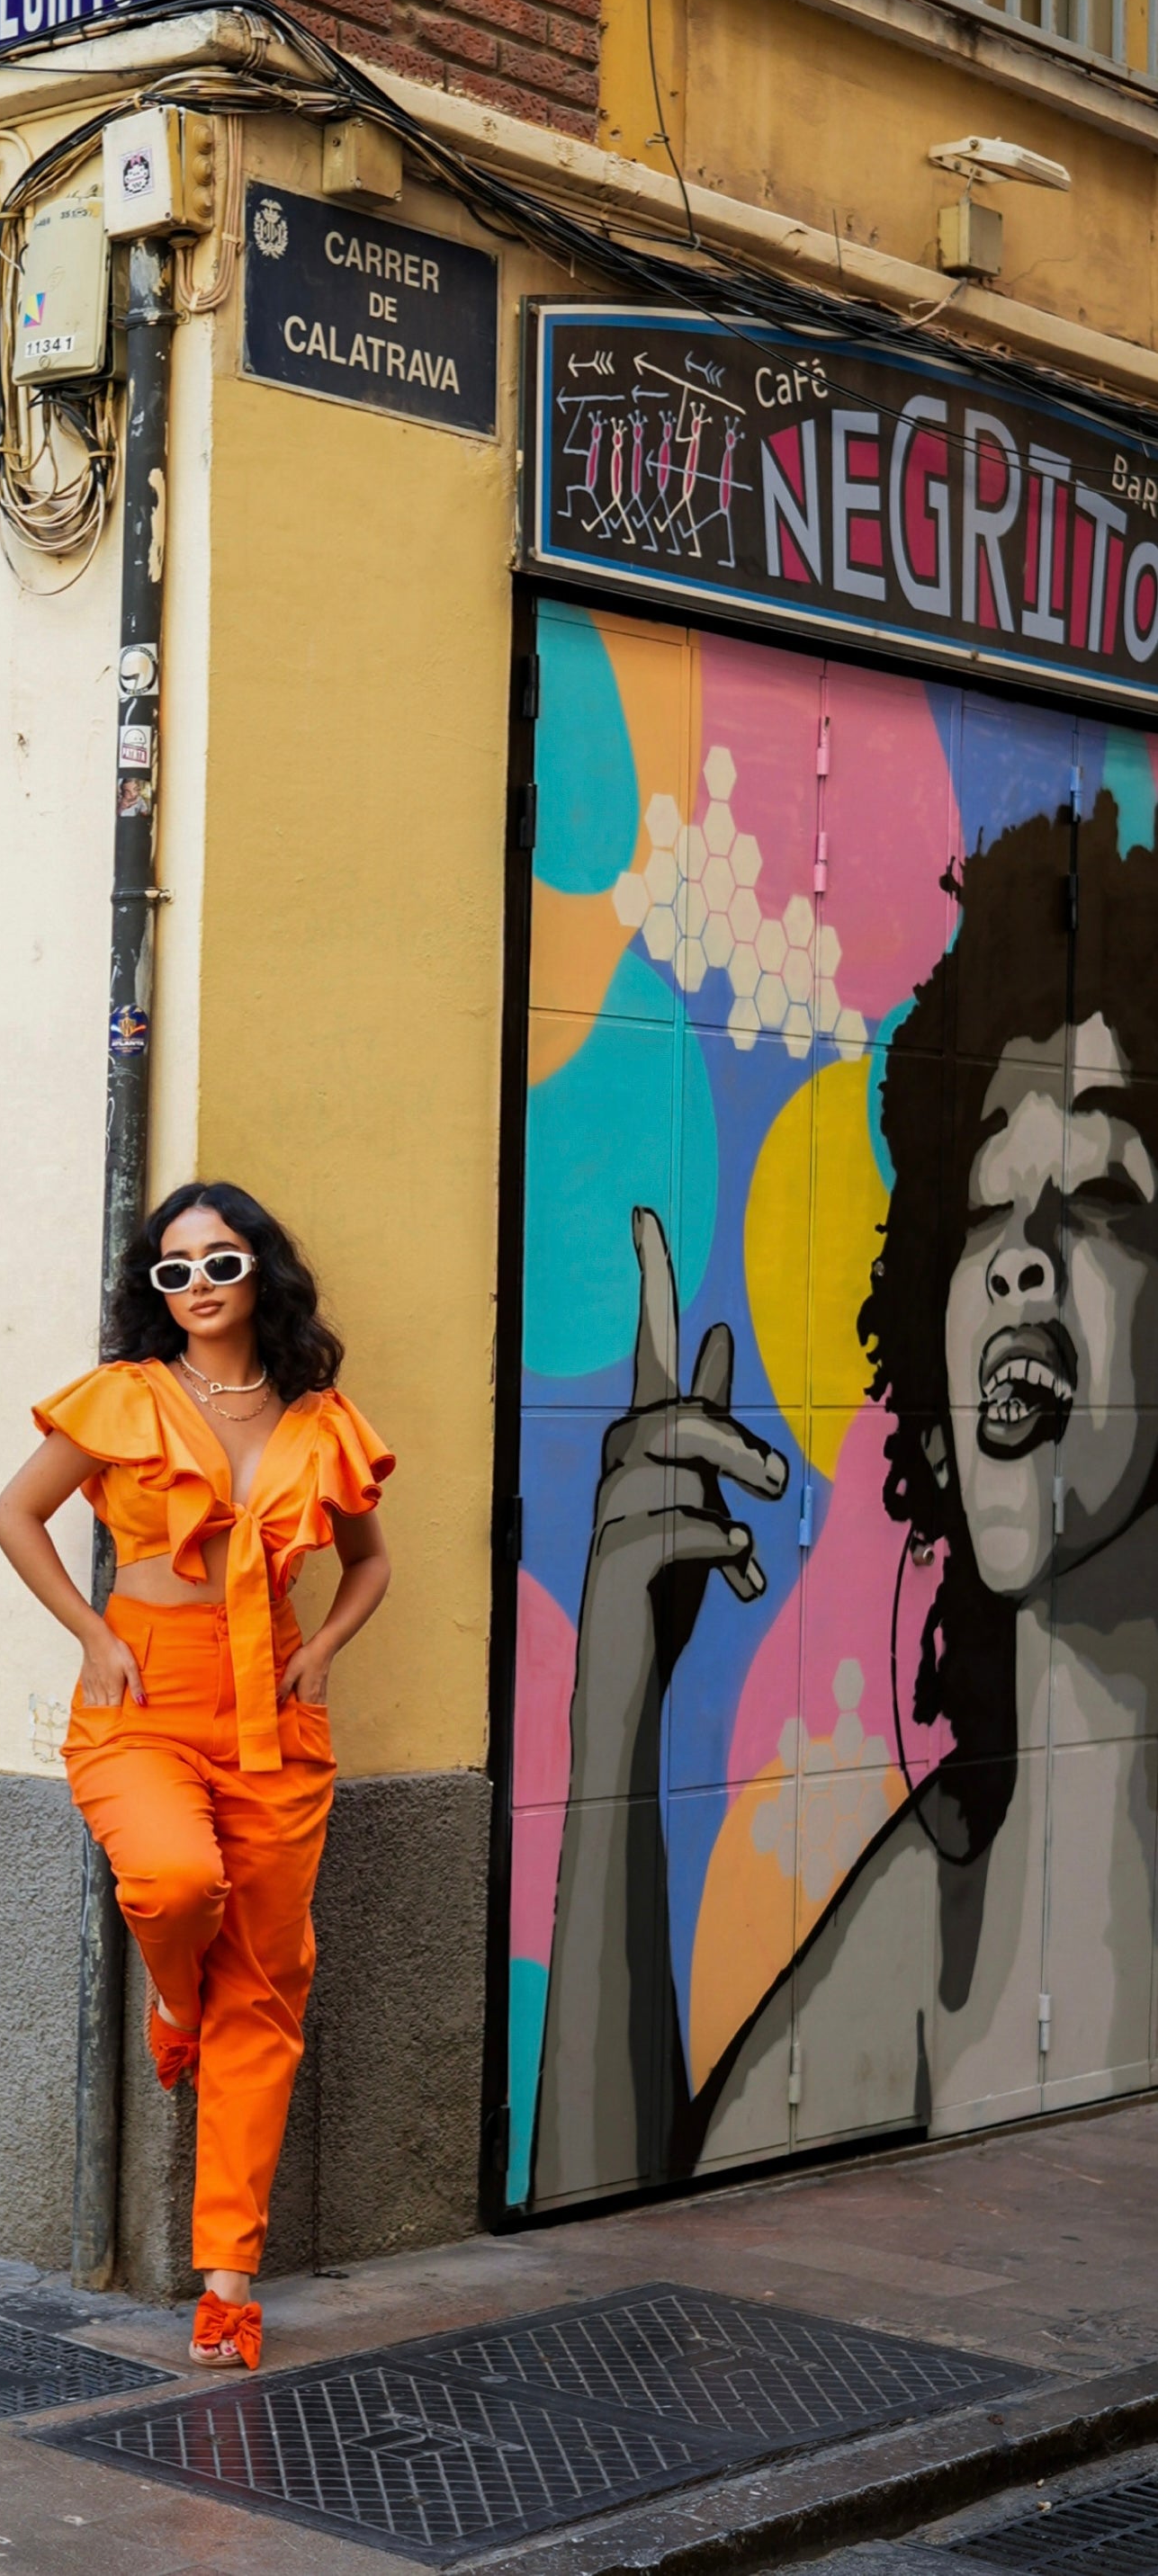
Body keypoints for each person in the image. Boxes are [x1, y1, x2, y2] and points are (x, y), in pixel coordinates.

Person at [534, 792, 1158, 2198]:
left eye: (1102, 1193)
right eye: (986, 1206)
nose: (1022, 1250)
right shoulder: (929, 1920)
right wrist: (615, 1709)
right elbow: (614, 2231)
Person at [0, 1182, 392, 2367]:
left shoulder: (321, 1417)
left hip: (275, 1706)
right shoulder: (126, 1395)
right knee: (172, 1882)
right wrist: (91, 1632)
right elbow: (15, 1515)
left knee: (264, 1995)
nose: (200, 1284)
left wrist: (324, 1647)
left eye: (220, 1260)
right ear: (154, 1289)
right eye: (174, 1268)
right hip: (143, 1694)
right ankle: (175, 2001)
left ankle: (227, 2283)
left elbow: (369, 1563)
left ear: (260, 1268)